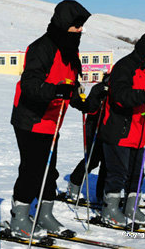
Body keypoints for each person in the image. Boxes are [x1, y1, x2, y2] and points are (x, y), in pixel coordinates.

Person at [9, 0, 91, 238]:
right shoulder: (41, 48)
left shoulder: (69, 50)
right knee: (32, 170)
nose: (80, 30)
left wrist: (79, 100)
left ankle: (45, 215)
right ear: (64, 23)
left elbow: (70, 85)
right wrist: (55, 90)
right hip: (31, 118)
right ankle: (20, 218)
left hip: (52, 120)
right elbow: (30, 85)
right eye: (76, 26)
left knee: (49, 171)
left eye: (81, 26)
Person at [98, 31, 145, 226]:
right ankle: (110, 210)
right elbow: (120, 96)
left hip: (140, 129)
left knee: (137, 172)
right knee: (118, 172)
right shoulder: (125, 67)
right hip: (119, 128)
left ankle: (131, 206)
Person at [64, 73, 110, 204]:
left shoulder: (119, 88)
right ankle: (74, 183)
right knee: (92, 159)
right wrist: (100, 101)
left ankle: (101, 195)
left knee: (108, 163)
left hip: (110, 129)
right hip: (94, 126)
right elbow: (90, 108)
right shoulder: (99, 88)